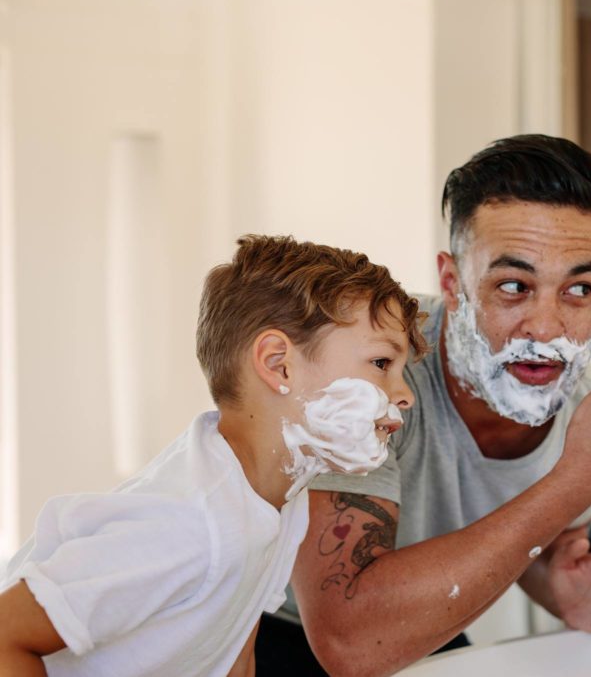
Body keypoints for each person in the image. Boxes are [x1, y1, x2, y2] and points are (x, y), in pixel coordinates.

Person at [268, 135, 591, 677]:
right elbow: (349, 641)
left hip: (412, 620)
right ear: (452, 281)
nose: (546, 329)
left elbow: (532, 530)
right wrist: (581, 475)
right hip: (270, 627)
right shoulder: (369, 371)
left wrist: (561, 580)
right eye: (513, 285)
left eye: (577, 290)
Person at [0, 235, 428, 676]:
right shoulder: (189, 524)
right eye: (381, 364)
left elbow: (233, 654)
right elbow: (5, 636)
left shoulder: (282, 498)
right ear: (279, 364)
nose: (405, 396)